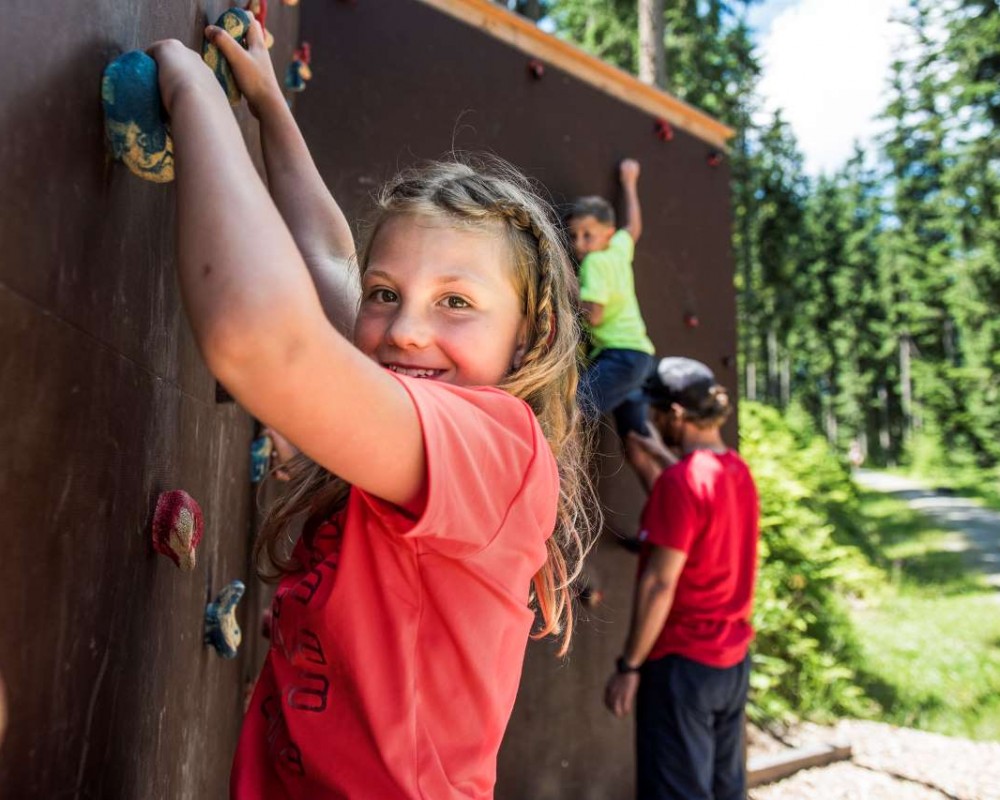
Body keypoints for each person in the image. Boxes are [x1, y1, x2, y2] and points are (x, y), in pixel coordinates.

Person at [147, 17, 596, 799]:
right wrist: (264, 105)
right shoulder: (419, 399)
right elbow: (327, 258)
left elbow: (261, 343)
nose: (406, 330)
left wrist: (193, 97)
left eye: (457, 301)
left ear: (533, 334)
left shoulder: (499, 443)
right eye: (388, 295)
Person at [603, 357, 760, 800]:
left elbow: (659, 584)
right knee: (723, 788)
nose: (650, 419)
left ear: (674, 415)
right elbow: (695, 518)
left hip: (681, 666)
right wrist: (655, 460)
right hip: (730, 664)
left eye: (655, 412)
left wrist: (629, 665)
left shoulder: (680, 483)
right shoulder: (736, 471)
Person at [568, 159, 657, 437]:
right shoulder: (617, 248)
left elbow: (594, 317)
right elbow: (634, 228)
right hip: (640, 357)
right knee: (636, 440)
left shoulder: (594, 263)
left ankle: (551, 476)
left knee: (569, 411)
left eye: (587, 236)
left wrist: (566, 296)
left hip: (619, 357)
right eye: (574, 236)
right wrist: (630, 183)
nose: (579, 244)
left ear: (607, 233)